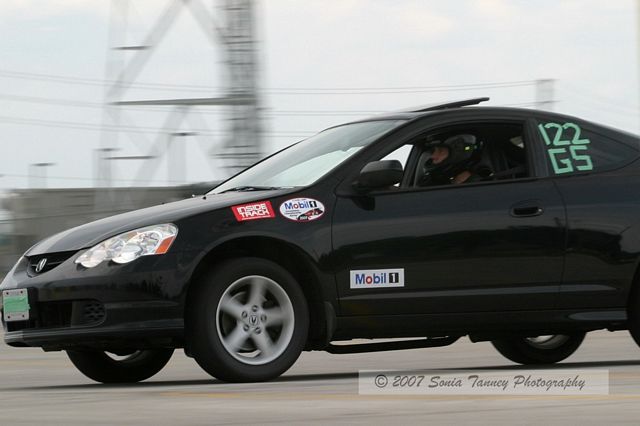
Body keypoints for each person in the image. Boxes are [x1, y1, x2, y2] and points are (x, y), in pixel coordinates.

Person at [418, 134, 484, 186]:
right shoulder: (435, 174)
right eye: (432, 152)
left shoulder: (462, 142)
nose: (434, 155)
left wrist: (456, 181)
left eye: (440, 151)